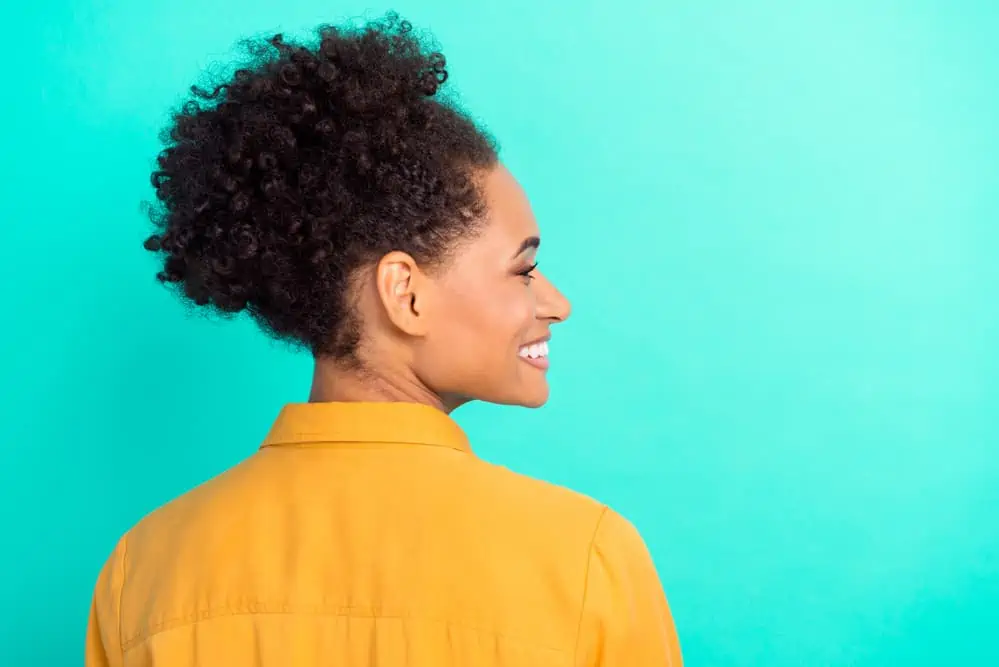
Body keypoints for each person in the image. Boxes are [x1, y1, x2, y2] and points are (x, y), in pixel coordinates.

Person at [85, 13, 683, 667]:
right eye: (523, 269)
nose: (556, 304)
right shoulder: (586, 560)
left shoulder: (143, 569)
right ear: (406, 293)